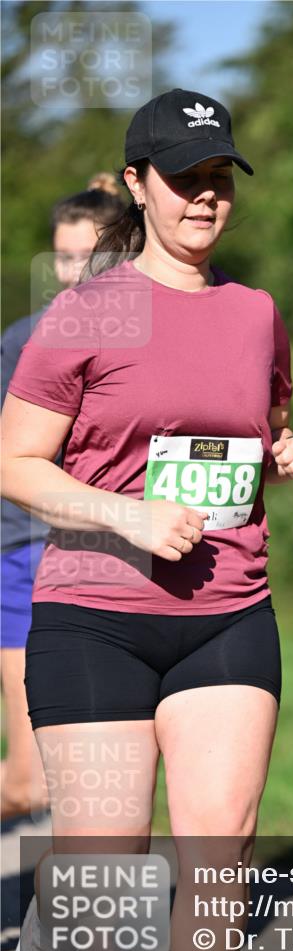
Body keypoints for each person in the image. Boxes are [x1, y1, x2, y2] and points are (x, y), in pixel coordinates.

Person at [0, 87, 293, 951]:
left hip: (228, 612)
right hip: (97, 614)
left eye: (219, 177)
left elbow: (252, 436)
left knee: (220, 846)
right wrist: (127, 513)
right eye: (184, 178)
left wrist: (285, 454)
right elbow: (14, 463)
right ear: (138, 185)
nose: (204, 195)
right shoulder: (87, 314)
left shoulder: (255, 312)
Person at [1, 173, 125, 819]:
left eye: (94, 258)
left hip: (113, 561)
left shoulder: (149, 336)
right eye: (66, 258)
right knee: (31, 786)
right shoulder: (28, 341)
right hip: (25, 556)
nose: (77, 274)